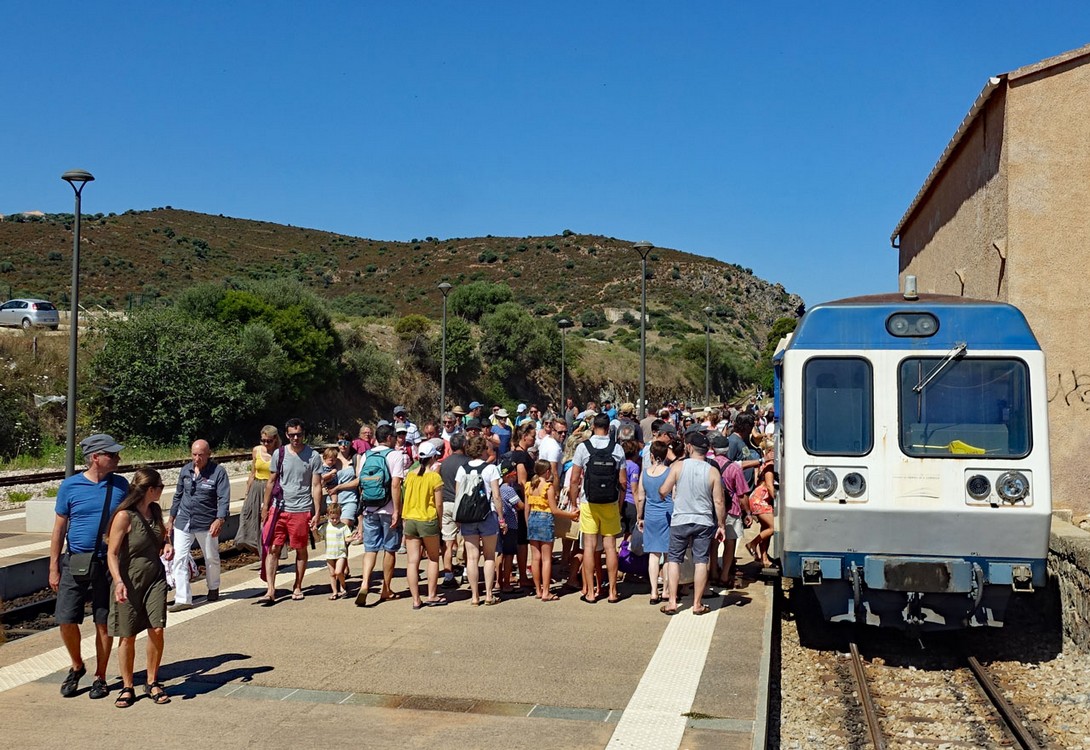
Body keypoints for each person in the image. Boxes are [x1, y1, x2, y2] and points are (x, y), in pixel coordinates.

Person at [50, 433, 130, 700]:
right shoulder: (70, 487)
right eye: (112, 454)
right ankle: (77, 665)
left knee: (103, 621)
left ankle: (101, 676)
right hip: (75, 560)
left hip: (107, 563)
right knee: (65, 619)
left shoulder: (121, 485)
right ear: (96, 458)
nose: (118, 457)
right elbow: (59, 528)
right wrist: (53, 567)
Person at [105, 468, 173, 707]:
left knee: (157, 629)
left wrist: (167, 544)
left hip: (155, 578)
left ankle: (152, 680)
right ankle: (127, 685)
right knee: (127, 635)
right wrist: (119, 581)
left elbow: (162, 536)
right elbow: (111, 554)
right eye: (160, 486)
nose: (163, 490)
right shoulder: (124, 516)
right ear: (150, 490)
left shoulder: (155, 510)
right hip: (129, 581)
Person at [657, 432, 727, 615]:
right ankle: (697, 604)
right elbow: (719, 502)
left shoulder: (678, 466)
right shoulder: (713, 471)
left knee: (674, 559)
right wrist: (721, 525)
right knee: (701, 560)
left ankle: (672, 602)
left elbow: (663, 490)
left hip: (680, 520)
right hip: (703, 521)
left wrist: (665, 493)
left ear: (689, 447)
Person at [261, 418, 323, 603]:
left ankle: (297, 585)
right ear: (286, 435)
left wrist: (317, 512)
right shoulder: (279, 454)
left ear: (304, 435)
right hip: (279, 508)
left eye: (299, 434)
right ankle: (270, 589)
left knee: (300, 549)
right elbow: (271, 482)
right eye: (292, 435)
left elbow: (316, 485)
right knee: (273, 548)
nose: (296, 438)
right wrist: (265, 508)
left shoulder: (313, 456)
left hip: (301, 509)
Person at [567, 413, 627, 604]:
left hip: (588, 503)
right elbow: (623, 481)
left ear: (593, 427)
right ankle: (612, 592)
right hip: (610, 503)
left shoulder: (583, 448)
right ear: (609, 428)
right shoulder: (617, 449)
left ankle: (591, 593)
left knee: (589, 547)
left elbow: (575, 479)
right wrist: (618, 504)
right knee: (610, 547)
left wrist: (574, 502)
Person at [167, 440, 231, 612]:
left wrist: (220, 519)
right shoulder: (185, 470)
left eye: (200, 455)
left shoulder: (218, 472)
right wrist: (171, 518)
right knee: (179, 559)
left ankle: (213, 587)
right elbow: (178, 494)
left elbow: (224, 498)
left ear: (208, 454)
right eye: (194, 454)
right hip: (184, 521)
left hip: (206, 522)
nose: (197, 458)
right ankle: (183, 598)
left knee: (211, 557)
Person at [355, 423, 407, 606]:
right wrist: (397, 511)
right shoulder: (395, 455)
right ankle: (386, 588)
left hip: (369, 508)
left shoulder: (365, 456)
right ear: (390, 438)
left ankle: (364, 583)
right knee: (390, 549)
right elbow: (395, 484)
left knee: (370, 549)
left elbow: (360, 481)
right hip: (388, 508)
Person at [454, 435, 505, 606]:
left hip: (468, 517)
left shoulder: (462, 469)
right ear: (484, 450)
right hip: (487, 515)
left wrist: (458, 518)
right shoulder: (491, 469)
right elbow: (496, 496)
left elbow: (458, 495)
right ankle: (489, 595)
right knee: (489, 556)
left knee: (472, 558)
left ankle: (475, 596)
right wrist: (501, 518)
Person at [401, 441, 447, 609]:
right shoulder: (434, 477)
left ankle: (415, 599)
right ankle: (432, 595)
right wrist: (440, 523)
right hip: (428, 519)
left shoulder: (411, 475)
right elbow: (439, 504)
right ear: (433, 457)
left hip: (411, 519)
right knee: (433, 558)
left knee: (412, 561)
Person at [526, 460, 577, 601]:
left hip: (532, 519)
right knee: (546, 558)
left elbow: (527, 509)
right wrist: (571, 515)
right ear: (547, 472)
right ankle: (546, 591)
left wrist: (528, 523)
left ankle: (538, 590)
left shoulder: (529, 486)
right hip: (545, 519)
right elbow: (554, 510)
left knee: (535, 558)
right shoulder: (548, 487)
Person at [708, 433, 752, 587]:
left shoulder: (708, 465)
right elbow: (742, 495)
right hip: (731, 509)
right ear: (727, 450)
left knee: (713, 543)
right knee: (730, 543)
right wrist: (748, 513)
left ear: (713, 449)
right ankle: (725, 576)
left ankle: (713, 572)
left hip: (713, 509)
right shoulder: (734, 467)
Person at [636, 441, 673, 604]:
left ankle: (653, 592)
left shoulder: (645, 473)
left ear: (651, 455)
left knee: (653, 554)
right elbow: (675, 494)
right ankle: (665, 590)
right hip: (667, 514)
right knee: (667, 553)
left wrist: (640, 516)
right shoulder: (670, 472)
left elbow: (640, 496)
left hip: (650, 514)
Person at [238, 426, 279, 553]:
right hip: (256, 487)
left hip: (271, 489)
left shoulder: (279, 452)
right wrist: (247, 493)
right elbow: (252, 473)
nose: (266, 443)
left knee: (268, 523)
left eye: (269, 441)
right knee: (248, 517)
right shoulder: (256, 450)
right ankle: (257, 549)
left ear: (275, 439)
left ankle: (270, 554)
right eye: (263, 441)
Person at [438, 432, 470, 588]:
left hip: (446, 503)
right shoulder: (468, 463)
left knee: (448, 542)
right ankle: (465, 572)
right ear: (464, 445)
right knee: (466, 539)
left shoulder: (444, 463)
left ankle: (448, 574)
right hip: (463, 504)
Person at [745, 438, 777, 568]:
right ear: (769, 451)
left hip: (760, 499)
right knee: (773, 527)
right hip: (760, 500)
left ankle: (764, 558)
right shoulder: (769, 467)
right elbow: (769, 486)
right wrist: (776, 498)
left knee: (766, 530)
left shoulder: (766, 465)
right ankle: (753, 543)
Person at [323, 501, 350, 599]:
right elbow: (318, 537)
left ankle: (343, 586)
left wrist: (353, 538)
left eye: (337, 518)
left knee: (338, 572)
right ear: (328, 516)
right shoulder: (326, 527)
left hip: (340, 553)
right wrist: (313, 531)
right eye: (332, 518)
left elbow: (347, 538)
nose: (334, 520)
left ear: (340, 515)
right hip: (330, 554)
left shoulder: (343, 526)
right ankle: (334, 592)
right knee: (332, 574)